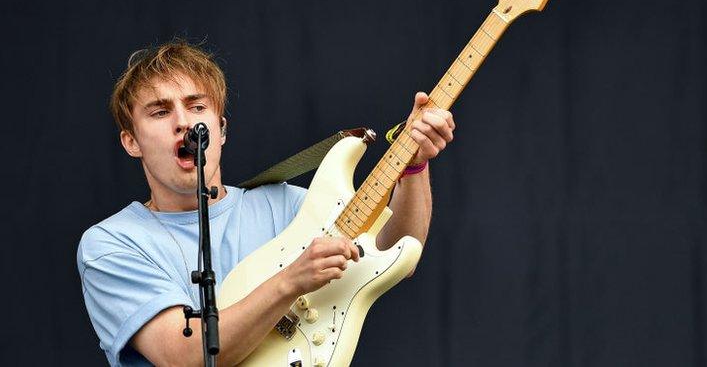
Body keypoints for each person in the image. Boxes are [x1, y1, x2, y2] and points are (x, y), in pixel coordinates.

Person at [77, 40, 455, 366]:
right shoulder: (112, 243)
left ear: (221, 129)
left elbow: (394, 251)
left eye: (196, 107)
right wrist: (291, 279)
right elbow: (185, 356)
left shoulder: (285, 205)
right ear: (131, 142)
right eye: (160, 112)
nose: (182, 122)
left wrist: (414, 162)